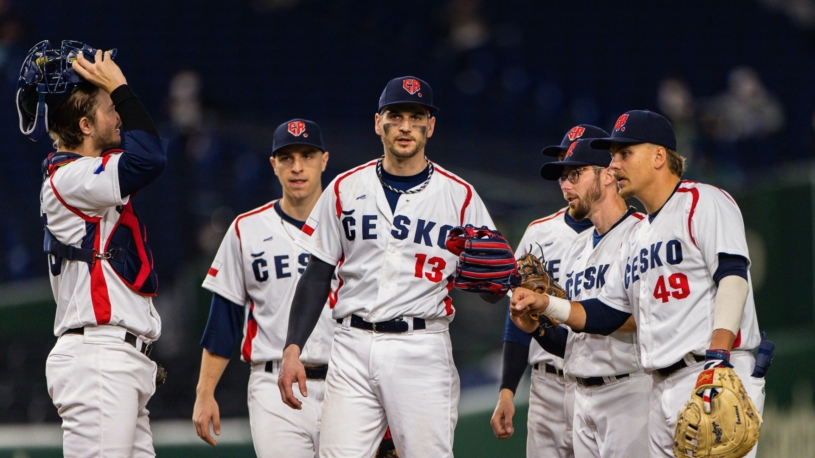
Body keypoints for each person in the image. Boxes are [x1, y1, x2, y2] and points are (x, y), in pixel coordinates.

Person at [510, 110, 765, 457]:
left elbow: (733, 277)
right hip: (660, 385)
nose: (614, 164)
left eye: (625, 153)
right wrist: (546, 306)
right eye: (613, 155)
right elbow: (608, 313)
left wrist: (718, 358)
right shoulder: (638, 235)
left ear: (659, 156)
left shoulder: (702, 200)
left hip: (711, 370)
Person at [278, 76, 496, 457]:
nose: (405, 126)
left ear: (430, 126)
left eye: (416, 117)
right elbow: (316, 275)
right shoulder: (344, 188)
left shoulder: (460, 197)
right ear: (378, 123)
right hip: (351, 344)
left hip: (421, 346)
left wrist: (494, 284)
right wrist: (292, 348)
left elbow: (492, 286)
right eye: (396, 116)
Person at [21, 41, 166, 456]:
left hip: (115, 360)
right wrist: (120, 85)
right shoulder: (71, 178)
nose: (118, 115)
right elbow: (149, 159)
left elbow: (146, 154)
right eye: (109, 109)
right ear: (85, 125)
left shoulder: (85, 175)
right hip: (99, 358)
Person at [192, 119, 335, 456]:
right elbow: (223, 321)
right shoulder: (246, 229)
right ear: (273, 164)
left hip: (345, 383)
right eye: (286, 158)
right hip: (273, 385)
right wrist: (204, 393)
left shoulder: (349, 227)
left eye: (307, 156)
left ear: (324, 160)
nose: (297, 167)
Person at [490, 125, 607, 458]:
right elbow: (517, 317)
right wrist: (507, 390)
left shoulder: (633, 231)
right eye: (562, 170)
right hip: (548, 384)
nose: (566, 181)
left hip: (608, 378)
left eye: (575, 169)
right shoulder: (539, 233)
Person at [537, 138, 650, 457]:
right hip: (580, 393)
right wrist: (534, 325)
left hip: (629, 391)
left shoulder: (641, 234)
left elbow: (644, 315)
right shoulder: (576, 248)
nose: (565, 185)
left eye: (575, 174)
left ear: (608, 175)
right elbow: (574, 340)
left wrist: (555, 306)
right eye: (563, 177)